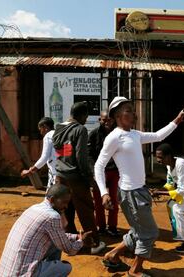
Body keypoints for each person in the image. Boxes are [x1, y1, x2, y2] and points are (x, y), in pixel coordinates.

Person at [94, 96, 184, 277]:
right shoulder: (114, 137)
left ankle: (112, 255)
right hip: (130, 194)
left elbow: (158, 135)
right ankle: (136, 270)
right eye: (128, 110)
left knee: (139, 230)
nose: (133, 113)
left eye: (132, 109)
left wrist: (178, 119)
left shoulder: (135, 134)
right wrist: (104, 193)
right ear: (116, 116)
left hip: (140, 191)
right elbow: (99, 165)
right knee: (150, 232)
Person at [0, 184, 93, 277]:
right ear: (52, 199)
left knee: (55, 245)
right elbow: (70, 250)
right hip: (24, 274)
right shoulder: (52, 217)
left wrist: (76, 236)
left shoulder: (34, 208)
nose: (66, 206)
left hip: (6, 273)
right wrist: (81, 241)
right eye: (64, 202)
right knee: (66, 267)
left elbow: (58, 235)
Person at [52, 101, 105, 255]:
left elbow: (61, 152)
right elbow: (80, 157)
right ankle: (93, 243)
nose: (86, 120)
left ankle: (70, 241)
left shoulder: (58, 128)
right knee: (86, 210)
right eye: (86, 117)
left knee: (65, 209)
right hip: (75, 178)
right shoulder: (80, 130)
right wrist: (89, 178)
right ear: (82, 115)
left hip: (60, 177)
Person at [88, 110, 121, 237]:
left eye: (109, 120)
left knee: (113, 199)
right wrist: (93, 172)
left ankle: (112, 227)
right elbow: (89, 155)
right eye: (104, 120)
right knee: (98, 201)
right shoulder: (94, 134)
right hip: (99, 172)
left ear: (113, 120)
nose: (107, 122)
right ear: (99, 120)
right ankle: (101, 227)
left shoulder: (118, 134)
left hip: (114, 171)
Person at [21, 117, 56, 189]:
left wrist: (30, 171)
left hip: (55, 173)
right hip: (65, 173)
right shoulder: (60, 134)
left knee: (50, 198)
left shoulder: (48, 136)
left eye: (40, 129)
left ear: (45, 127)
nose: (40, 132)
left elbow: (44, 157)